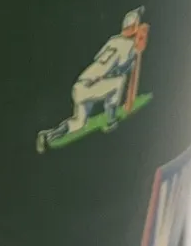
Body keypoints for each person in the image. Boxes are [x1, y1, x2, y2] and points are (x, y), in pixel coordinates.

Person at [37, 8, 149, 152]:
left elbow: (101, 60)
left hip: (81, 85)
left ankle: (48, 136)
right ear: (135, 27)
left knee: (79, 123)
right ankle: (111, 119)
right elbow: (120, 69)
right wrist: (136, 52)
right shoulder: (128, 46)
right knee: (119, 81)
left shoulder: (113, 40)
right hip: (92, 85)